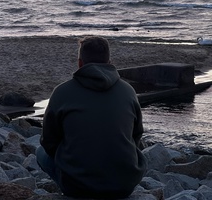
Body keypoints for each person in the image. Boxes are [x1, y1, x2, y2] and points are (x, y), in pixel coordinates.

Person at [36, 36, 147, 198]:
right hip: (123, 185)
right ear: (109, 61)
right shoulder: (128, 91)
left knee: (40, 153)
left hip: (77, 187)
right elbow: (136, 135)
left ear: (80, 63)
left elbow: (48, 141)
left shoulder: (62, 92)